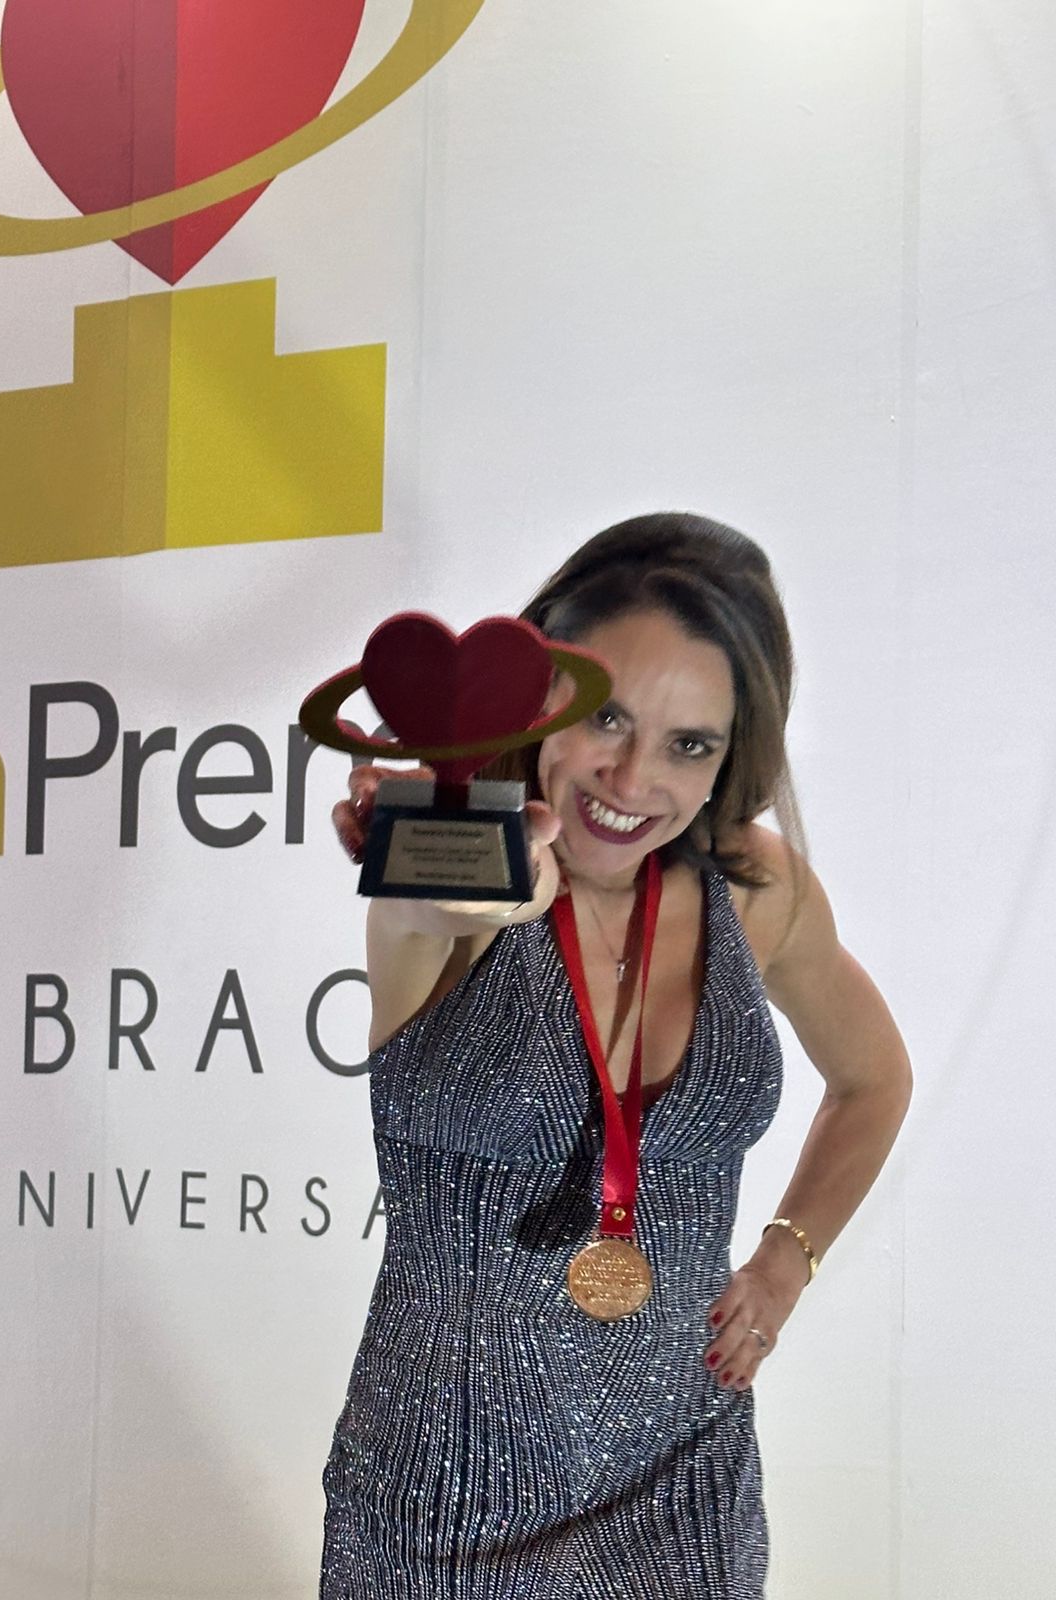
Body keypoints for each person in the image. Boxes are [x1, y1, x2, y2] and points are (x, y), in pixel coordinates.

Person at [320, 512, 912, 1599]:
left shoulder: (757, 890)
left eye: (691, 745)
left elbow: (874, 1081)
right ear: (536, 697)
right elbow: (434, 911)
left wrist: (784, 1262)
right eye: (608, 719)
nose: (634, 780)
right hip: (442, 1501)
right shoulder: (466, 881)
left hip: (681, 1480)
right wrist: (464, 866)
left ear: (732, 757)